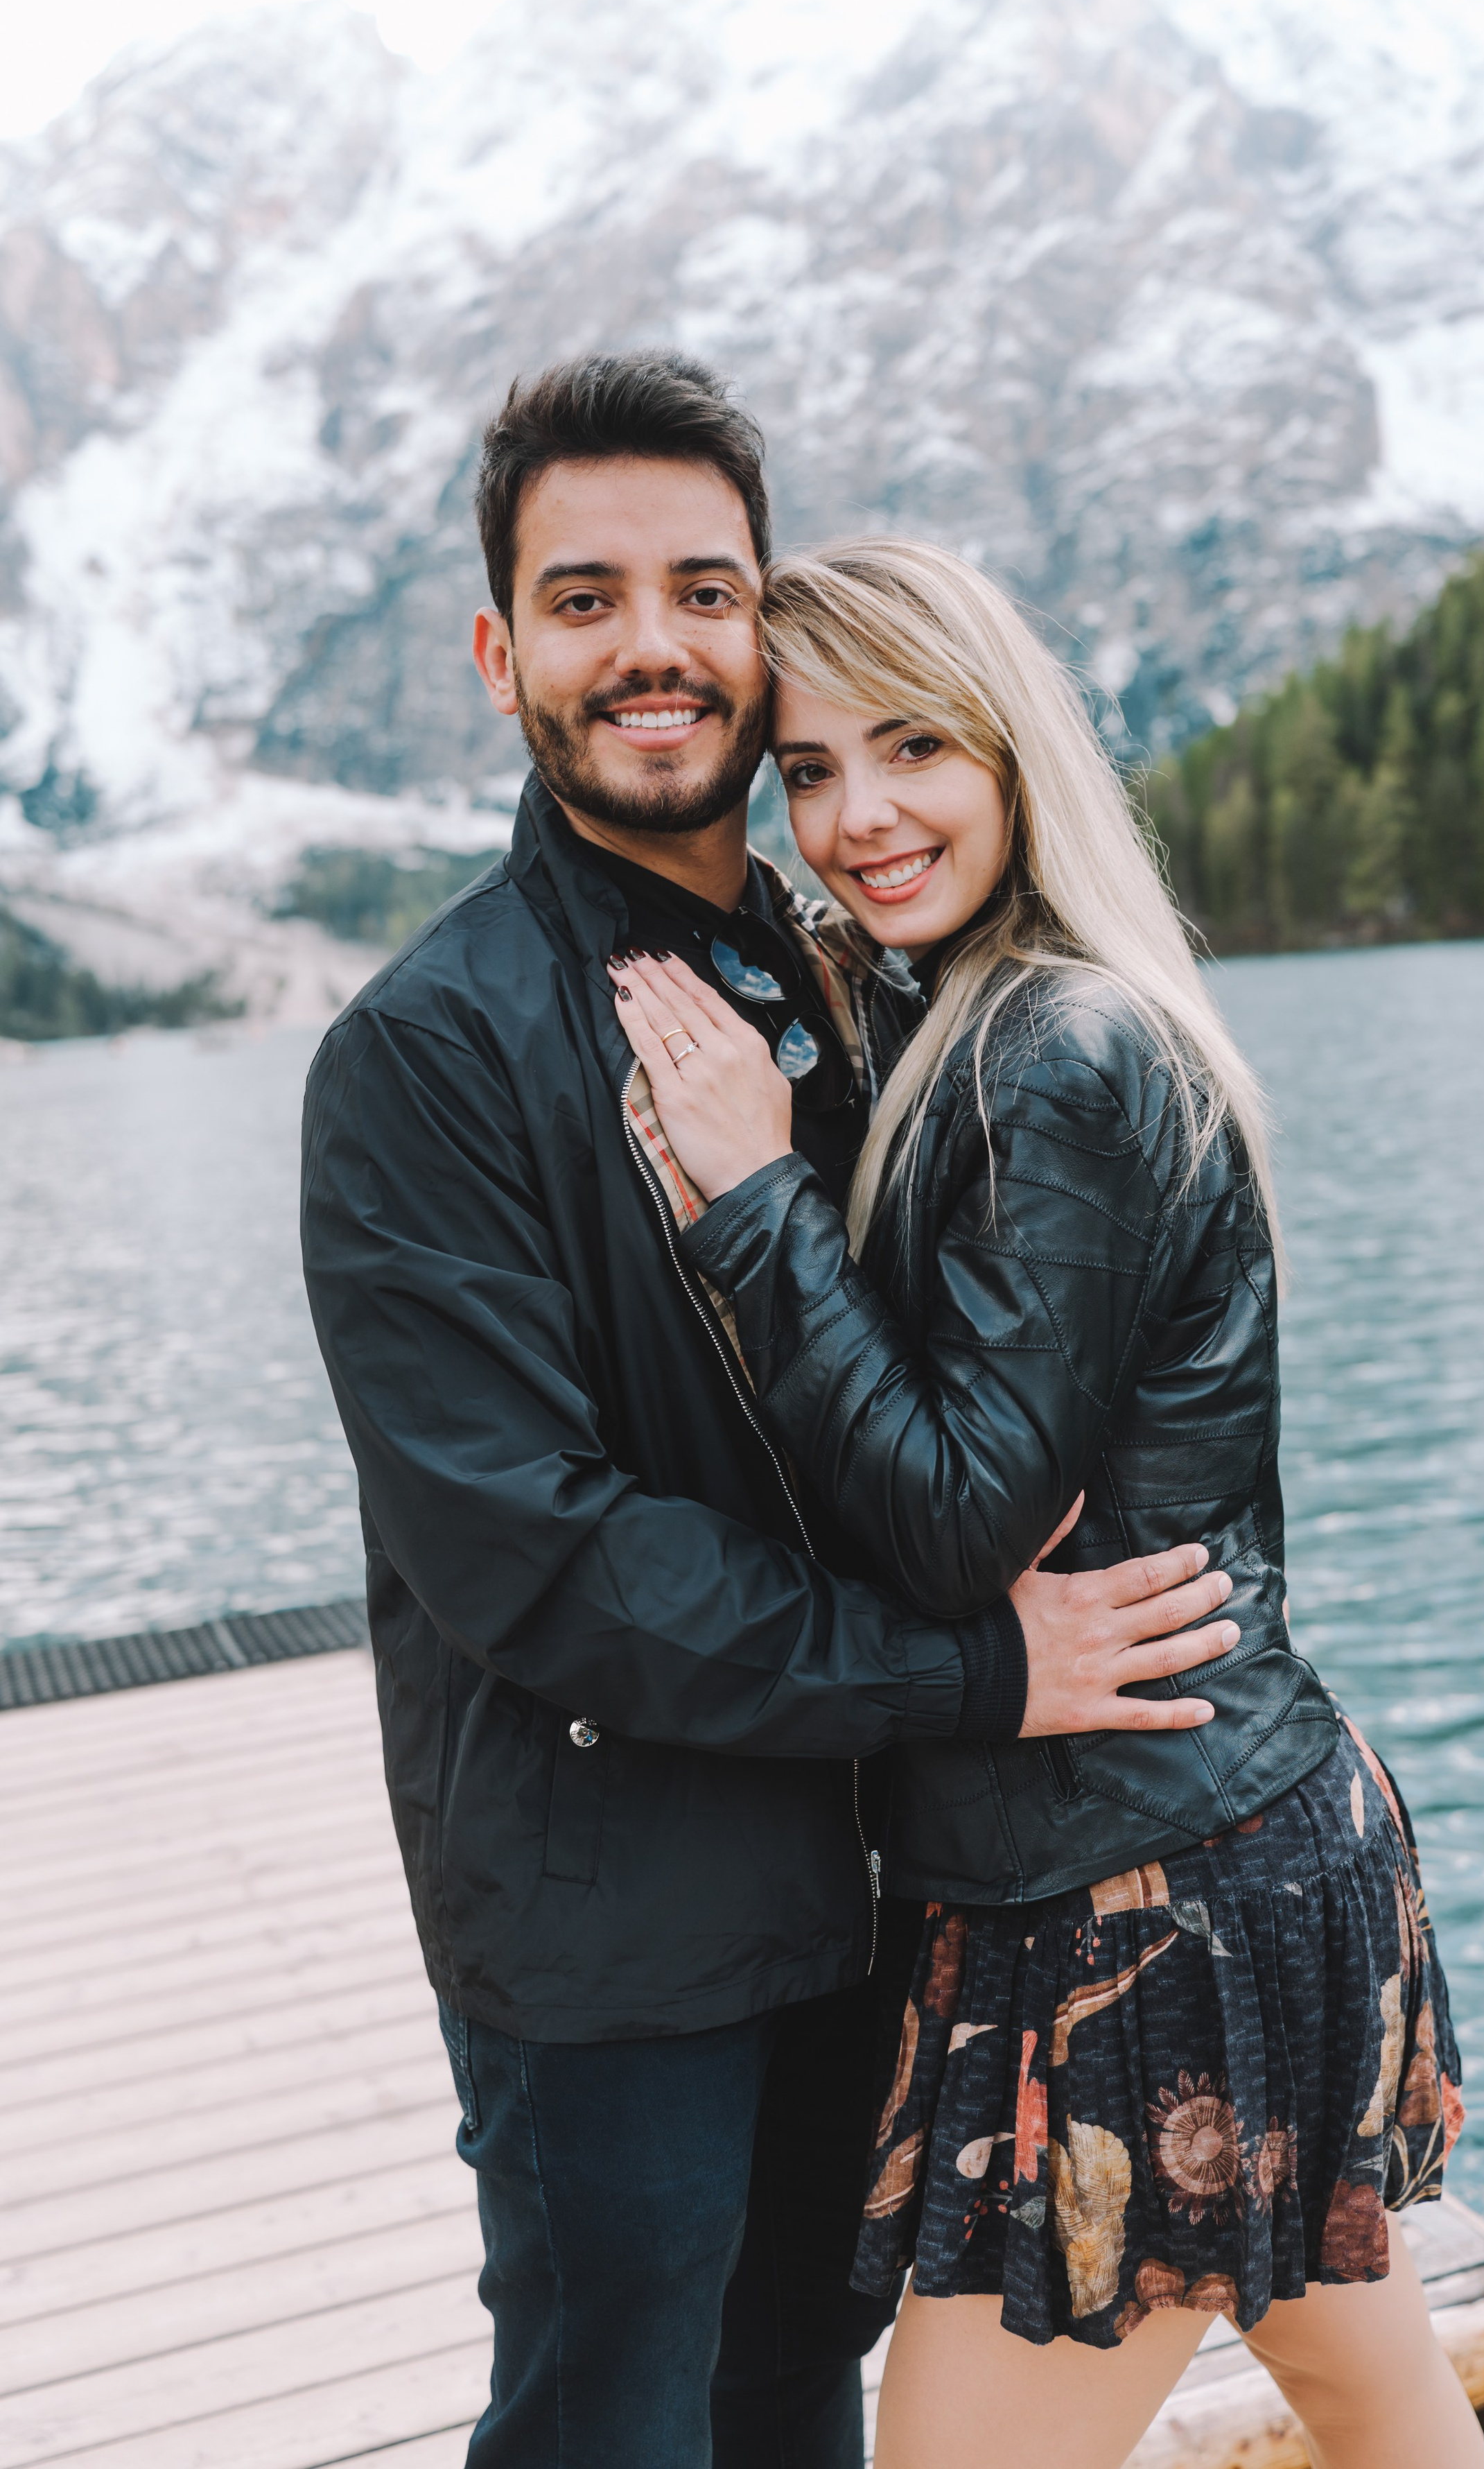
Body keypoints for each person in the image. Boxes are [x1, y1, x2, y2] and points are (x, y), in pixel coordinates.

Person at [299, 354, 1243, 2469]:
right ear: (498, 652)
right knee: (614, 2423)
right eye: (586, 597)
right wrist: (972, 1673)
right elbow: (535, 1556)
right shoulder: (423, 1056)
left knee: (796, 2406)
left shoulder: (861, 986)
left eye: (704, 592)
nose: (654, 647)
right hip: (606, 1927)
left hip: (869, 1887)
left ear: (761, 626)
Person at [606, 537, 1484, 2469]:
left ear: (1013, 743)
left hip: (1144, 1905)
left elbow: (953, 1526)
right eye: (810, 772)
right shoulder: (980, 1020)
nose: (856, 816)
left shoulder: (1056, 1056)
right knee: (1374, 2395)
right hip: (1225, 1843)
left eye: (909, 745)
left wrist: (756, 1209)